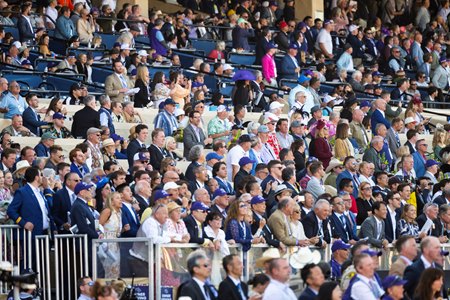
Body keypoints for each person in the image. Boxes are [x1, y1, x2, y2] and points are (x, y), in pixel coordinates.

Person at [98, 192, 122, 279]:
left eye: (120, 198)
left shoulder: (119, 213)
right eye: (118, 198)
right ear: (111, 201)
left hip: (115, 243)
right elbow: (99, 226)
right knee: (108, 268)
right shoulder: (107, 211)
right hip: (107, 243)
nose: (120, 200)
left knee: (115, 269)